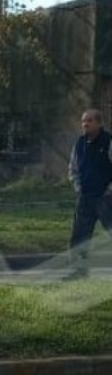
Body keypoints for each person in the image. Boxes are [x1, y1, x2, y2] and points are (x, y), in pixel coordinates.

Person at [66, 108, 112, 279]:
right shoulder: (79, 143)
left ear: (99, 123)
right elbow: (73, 168)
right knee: (79, 237)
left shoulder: (108, 141)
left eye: (90, 121)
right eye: (83, 121)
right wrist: (78, 187)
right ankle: (78, 271)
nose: (85, 124)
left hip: (106, 199)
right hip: (85, 198)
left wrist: (110, 190)